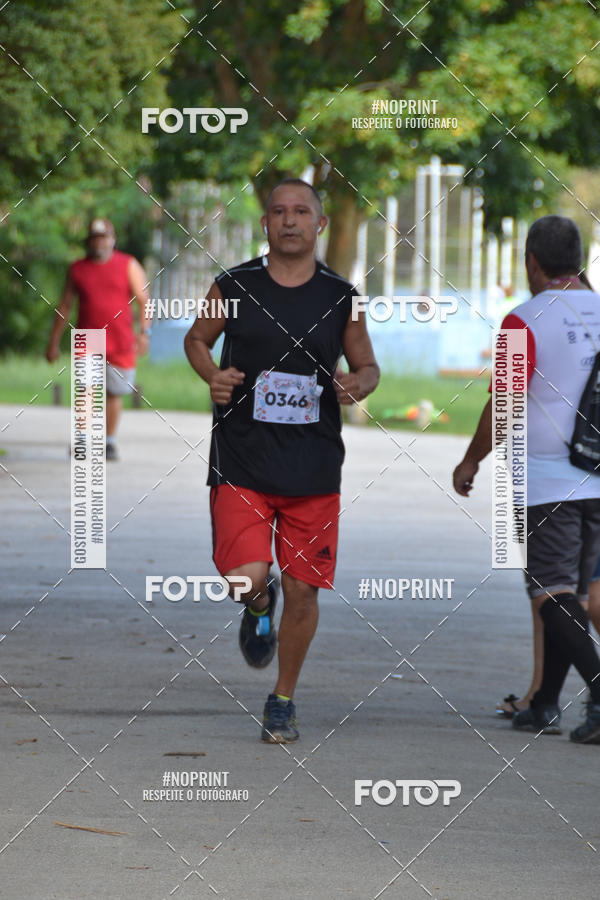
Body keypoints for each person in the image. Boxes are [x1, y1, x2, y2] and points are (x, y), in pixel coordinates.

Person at [184, 178, 379, 743]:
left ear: (320, 224)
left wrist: (357, 384)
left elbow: (368, 365)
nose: (289, 221)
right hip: (241, 458)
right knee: (245, 581)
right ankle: (255, 607)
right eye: (278, 212)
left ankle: (282, 699)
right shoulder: (233, 285)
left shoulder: (344, 296)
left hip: (312, 466)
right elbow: (197, 340)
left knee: (303, 590)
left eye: (301, 212)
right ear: (265, 224)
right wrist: (212, 374)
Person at [453, 214, 600, 743]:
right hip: (597, 481)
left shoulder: (524, 320)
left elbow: (504, 403)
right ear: (578, 261)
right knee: (571, 595)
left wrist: (471, 460)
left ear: (531, 262)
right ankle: (543, 704)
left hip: (548, 481)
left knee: (548, 592)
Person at [45, 217, 151, 460]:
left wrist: (145, 333)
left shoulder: (128, 264)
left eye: (103, 238)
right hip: (88, 338)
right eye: (95, 238)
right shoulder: (77, 269)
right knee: (86, 390)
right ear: (88, 241)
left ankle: (109, 441)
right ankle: (82, 439)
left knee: (114, 392)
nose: (99, 243)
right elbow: (65, 306)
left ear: (112, 240)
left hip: (121, 339)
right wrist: (53, 343)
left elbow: (144, 300)